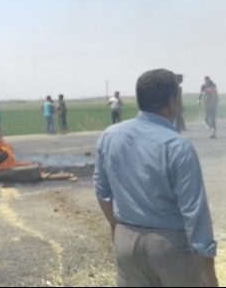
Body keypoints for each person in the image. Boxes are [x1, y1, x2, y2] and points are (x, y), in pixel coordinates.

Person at [93, 69, 217, 287]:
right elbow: (194, 211)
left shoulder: (110, 135)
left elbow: (102, 191)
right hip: (170, 246)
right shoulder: (177, 146)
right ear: (172, 102)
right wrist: (207, 265)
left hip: (126, 240)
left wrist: (117, 226)